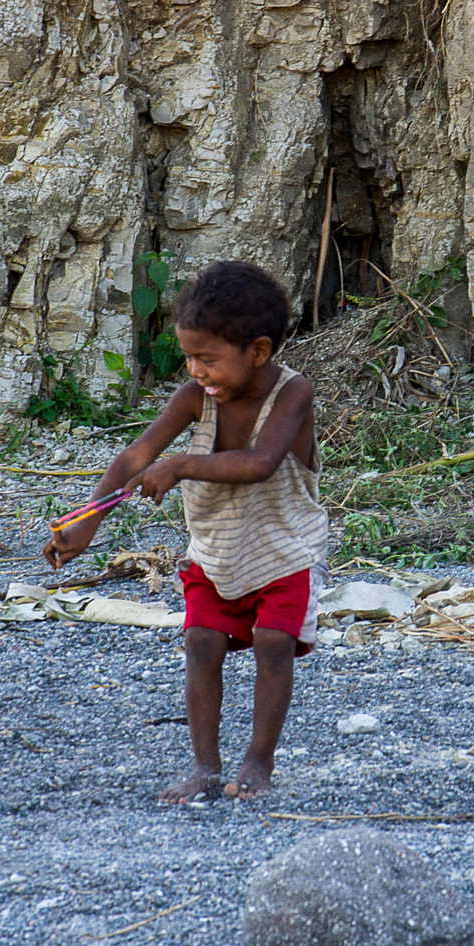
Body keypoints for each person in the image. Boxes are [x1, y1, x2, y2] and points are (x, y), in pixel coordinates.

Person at [44, 260, 329, 801]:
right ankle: (205, 768)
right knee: (200, 643)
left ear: (260, 352)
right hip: (216, 552)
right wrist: (89, 518)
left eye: (208, 359)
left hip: (286, 549)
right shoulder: (193, 399)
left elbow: (260, 462)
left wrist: (178, 467)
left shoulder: (292, 394)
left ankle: (258, 762)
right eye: (189, 357)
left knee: (274, 643)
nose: (196, 370)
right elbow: (136, 457)